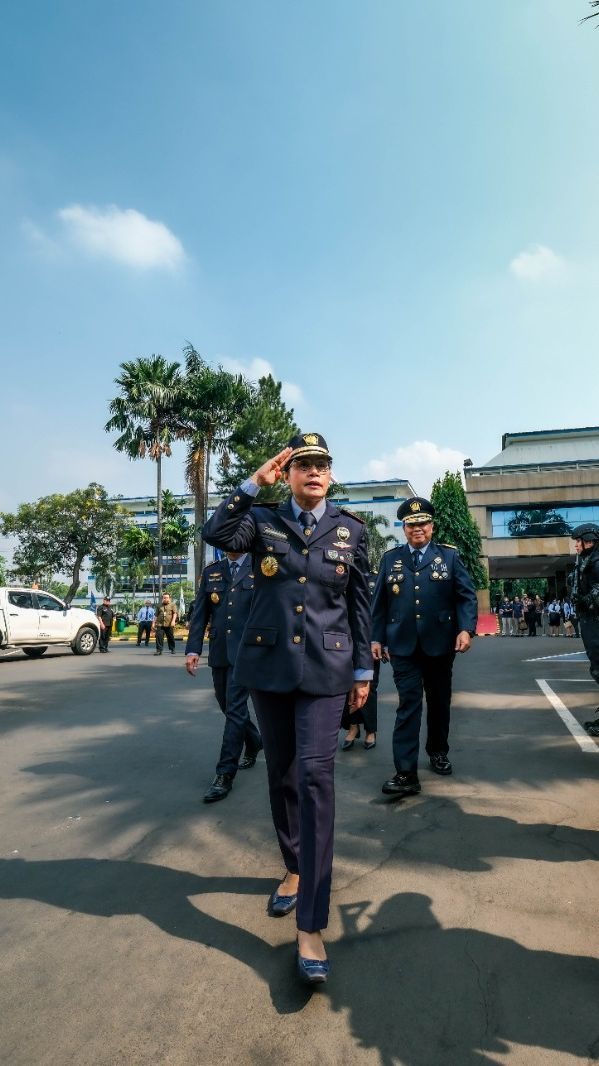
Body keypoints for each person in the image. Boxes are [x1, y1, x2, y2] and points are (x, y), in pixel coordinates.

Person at [202, 433, 372, 986]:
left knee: (316, 779)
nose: (313, 472)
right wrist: (255, 481)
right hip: (269, 669)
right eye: (303, 465)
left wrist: (365, 673)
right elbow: (215, 532)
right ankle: (295, 867)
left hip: (327, 671)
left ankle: (311, 925)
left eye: (322, 464)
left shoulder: (352, 530)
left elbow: (359, 603)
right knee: (281, 776)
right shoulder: (262, 520)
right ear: (291, 472)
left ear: (331, 473)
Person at [371, 496, 478, 798]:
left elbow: (466, 597)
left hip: (440, 644)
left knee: (439, 701)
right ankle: (406, 772)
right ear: (403, 528)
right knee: (408, 705)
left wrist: (466, 630)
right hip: (403, 646)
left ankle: (438, 751)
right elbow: (378, 603)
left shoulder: (450, 558)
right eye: (411, 524)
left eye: (423, 523)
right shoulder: (390, 559)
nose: (417, 529)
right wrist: (376, 638)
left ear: (431, 526)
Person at [185, 552, 262, 802]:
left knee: (236, 710)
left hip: (248, 652)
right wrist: (193, 649)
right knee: (226, 705)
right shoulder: (212, 571)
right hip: (219, 651)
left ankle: (224, 774)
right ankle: (254, 740)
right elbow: (200, 614)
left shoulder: (260, 565)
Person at [340, 569, 381, 750]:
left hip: (368, 643)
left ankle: (370, 731)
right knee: (345, 687)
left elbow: (380, 612)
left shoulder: (373, 578)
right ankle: (353, 727)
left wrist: (380, 641)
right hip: (342, 641)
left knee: (369, 688)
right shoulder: (338, 575)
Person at [570, 523, 599, 735]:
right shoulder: (585, 561)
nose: (576, 547)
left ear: (589, 541)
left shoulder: (596, 562)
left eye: (578, 542)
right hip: (590, 620)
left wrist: (586, 600)